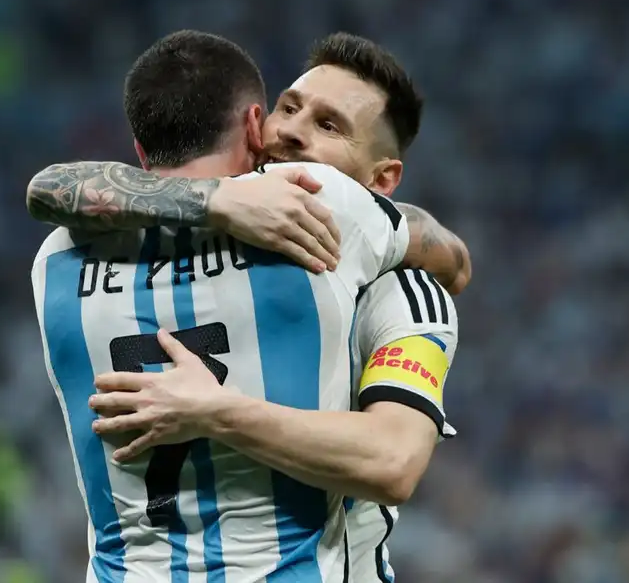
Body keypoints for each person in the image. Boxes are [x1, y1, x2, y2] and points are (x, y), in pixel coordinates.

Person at [29, 31, 467, 582]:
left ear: (381, 182)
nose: (292, 133)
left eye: (328, 125)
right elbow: (452, 257)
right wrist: (217, 199)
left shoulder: (59, 255)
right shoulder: (336, 213)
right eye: (289, 108)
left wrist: (215, 410)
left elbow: (393, 460)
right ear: (255, 123)